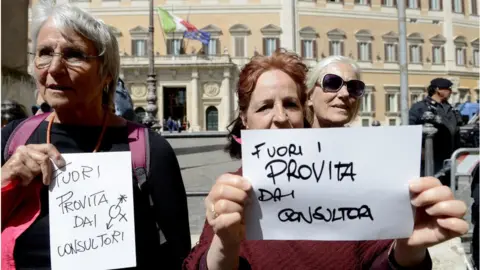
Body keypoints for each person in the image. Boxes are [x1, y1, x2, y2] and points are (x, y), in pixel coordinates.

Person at [183, 52, 469, 269]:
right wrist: (225, 244)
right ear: (245, 119)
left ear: (303, 110)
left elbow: (380, 258)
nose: (280, 118)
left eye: (290, 104)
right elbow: (200, 261)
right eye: (265, 106)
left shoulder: (358, 181)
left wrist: (408, 250)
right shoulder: (232, 192)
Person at [1, 2, 190, 269]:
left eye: (74, 55)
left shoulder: (150, 151)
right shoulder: (12, 140)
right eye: (44, 53)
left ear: (107, 75)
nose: (54, 68)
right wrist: (4, 179)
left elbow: (180, 255)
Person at [409, 78, 464, 181]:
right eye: (447, 89)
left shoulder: (451, 109)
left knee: (448, 188)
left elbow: (456, 131)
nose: (450, 92)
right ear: (438, 90)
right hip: (430, 158)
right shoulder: (420, 107)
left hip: (449, 157)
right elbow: (410, 130)